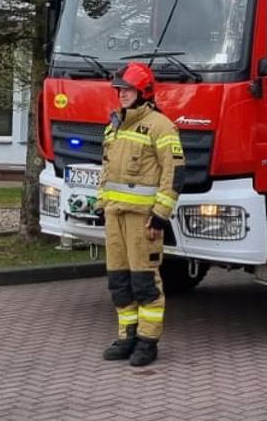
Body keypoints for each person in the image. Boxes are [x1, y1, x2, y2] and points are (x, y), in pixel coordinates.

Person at [98, 62, 182, 368]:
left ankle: (147, 342)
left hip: (143, 221)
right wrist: (100, 203)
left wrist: (161, 214)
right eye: (119, 90)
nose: (121, 95)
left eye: (127, 90)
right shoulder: (114, 125)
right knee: (119, 282)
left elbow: (174, 174)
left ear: (143, 92)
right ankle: (127, 337)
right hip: (114, 217)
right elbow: (106, 170)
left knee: (145, 283)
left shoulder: (161, 126)